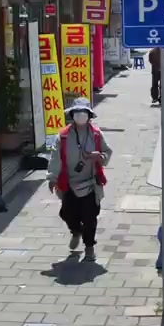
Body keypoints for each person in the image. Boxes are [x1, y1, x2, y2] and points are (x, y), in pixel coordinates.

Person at [46, 97, 113, 262]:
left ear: (89, 115)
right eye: (77, 112)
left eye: (84, 112)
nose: (80, 115)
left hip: (90, 183)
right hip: (69, 184)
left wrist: (100, 157)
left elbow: (107, 152)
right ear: (72, 115)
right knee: (67, 214)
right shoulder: (63, 136)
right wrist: (52, 178)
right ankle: (76, 231)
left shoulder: (96, 134)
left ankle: (89, 247)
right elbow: (55, 158)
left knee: (90, 217)